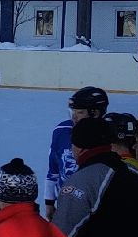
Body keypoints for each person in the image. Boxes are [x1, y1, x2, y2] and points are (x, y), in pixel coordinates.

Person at [43, 86, 109, 220]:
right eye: (72, 111)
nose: (74, 116)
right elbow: (53, 169)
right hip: (66, 203)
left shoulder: (109, 137)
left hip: (97, 208)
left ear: (95, 113)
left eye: (79, 112)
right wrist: (49, 202)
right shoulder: (61, 131)